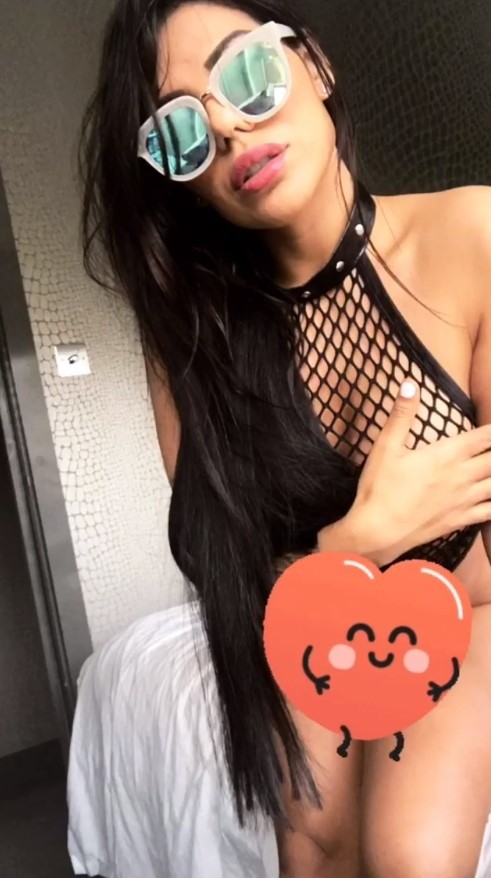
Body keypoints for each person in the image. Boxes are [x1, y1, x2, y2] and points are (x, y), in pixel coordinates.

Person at [79, 0, 491, 875]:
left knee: (410, 854)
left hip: (472, 608)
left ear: (315, 67)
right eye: (180, 131)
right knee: (312, 846)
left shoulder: (470, 236)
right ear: (177, 176)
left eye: (246, 74)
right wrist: (359, 541)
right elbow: (227, 570)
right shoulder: (196, 335)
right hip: (313, 610)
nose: (229, 126)